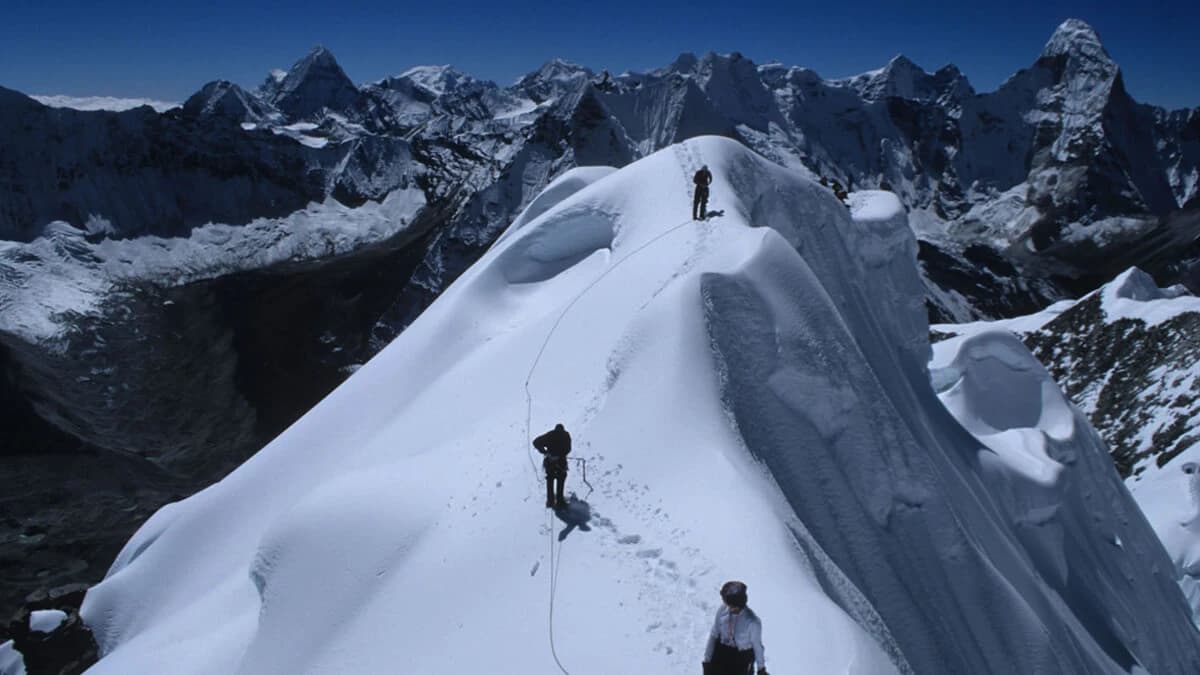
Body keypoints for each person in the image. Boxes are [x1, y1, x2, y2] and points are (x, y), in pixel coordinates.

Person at [703, 581, 767, 675]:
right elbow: (714, 635)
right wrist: (707, 661)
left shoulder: (752, 622)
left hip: (741, 660)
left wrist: (761, 669)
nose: (729, 608)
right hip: (721, 654)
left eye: (732, 606)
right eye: (727, 604)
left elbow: (757, 646)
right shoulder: (722, 611)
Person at [533, 423, 571, 509]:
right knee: (561, 479)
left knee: (550, 479)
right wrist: (561, 454)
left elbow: (536, 442)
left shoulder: (550, 434)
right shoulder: (566, 435)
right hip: (561, 462)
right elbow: (568, 449)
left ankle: (550, 501)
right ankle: (560, 501)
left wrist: (544, 451)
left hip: (550, 461)